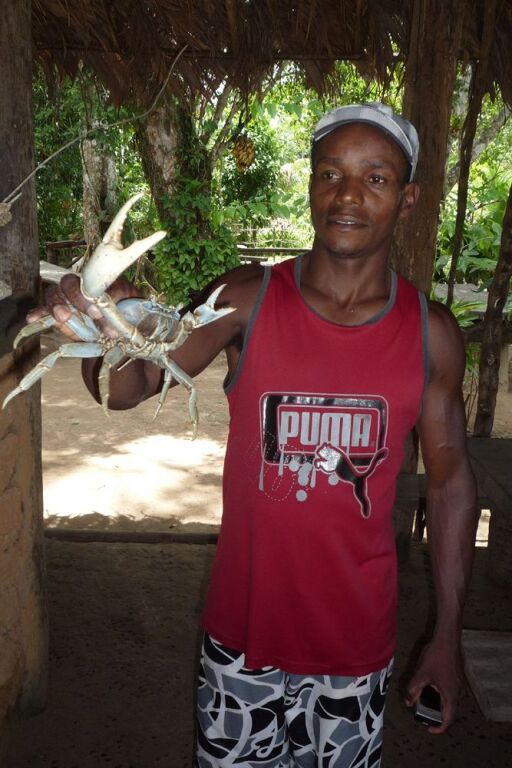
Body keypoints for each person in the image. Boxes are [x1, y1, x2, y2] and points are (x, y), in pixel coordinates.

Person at [34, 102, 478, 767]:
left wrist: (447, 636)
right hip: (240, 641)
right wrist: (105, 323)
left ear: (407, 198)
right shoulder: (246, 299)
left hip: (354, 651)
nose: (348, 195)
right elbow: (128, 390)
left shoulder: (429, 333)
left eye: (376, 178)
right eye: (330, 173)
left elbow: (450, 487)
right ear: (311, 184)